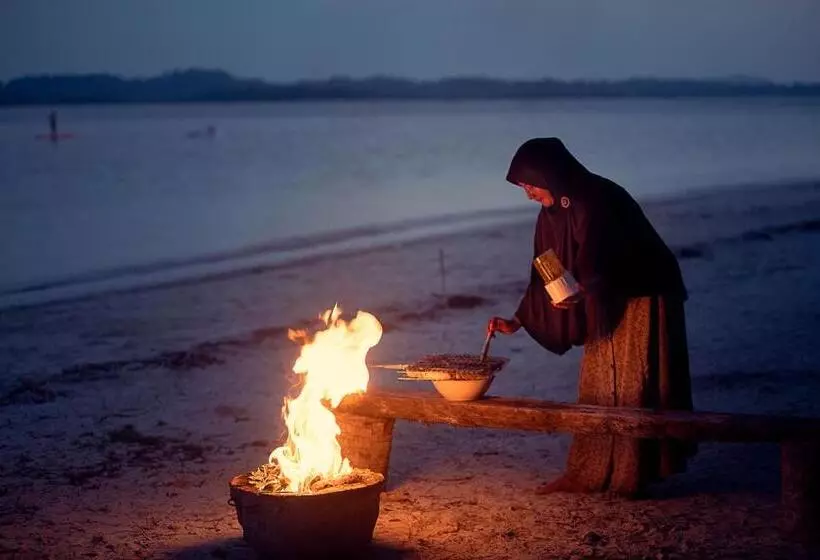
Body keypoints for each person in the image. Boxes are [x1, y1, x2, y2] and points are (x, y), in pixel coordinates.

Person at [488, 137, 696, 497]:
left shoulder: (593, 197)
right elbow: (547, 269)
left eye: (531, 185)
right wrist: (518, 320)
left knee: (635, 384)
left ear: (549, 174)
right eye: (524, 188)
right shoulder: (550, 213)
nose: (529, 194)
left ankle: (631, 474)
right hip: (601, 295)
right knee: (600, 385)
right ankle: (590, 470)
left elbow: (608, 254)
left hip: (643, 291)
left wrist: (586, 288)